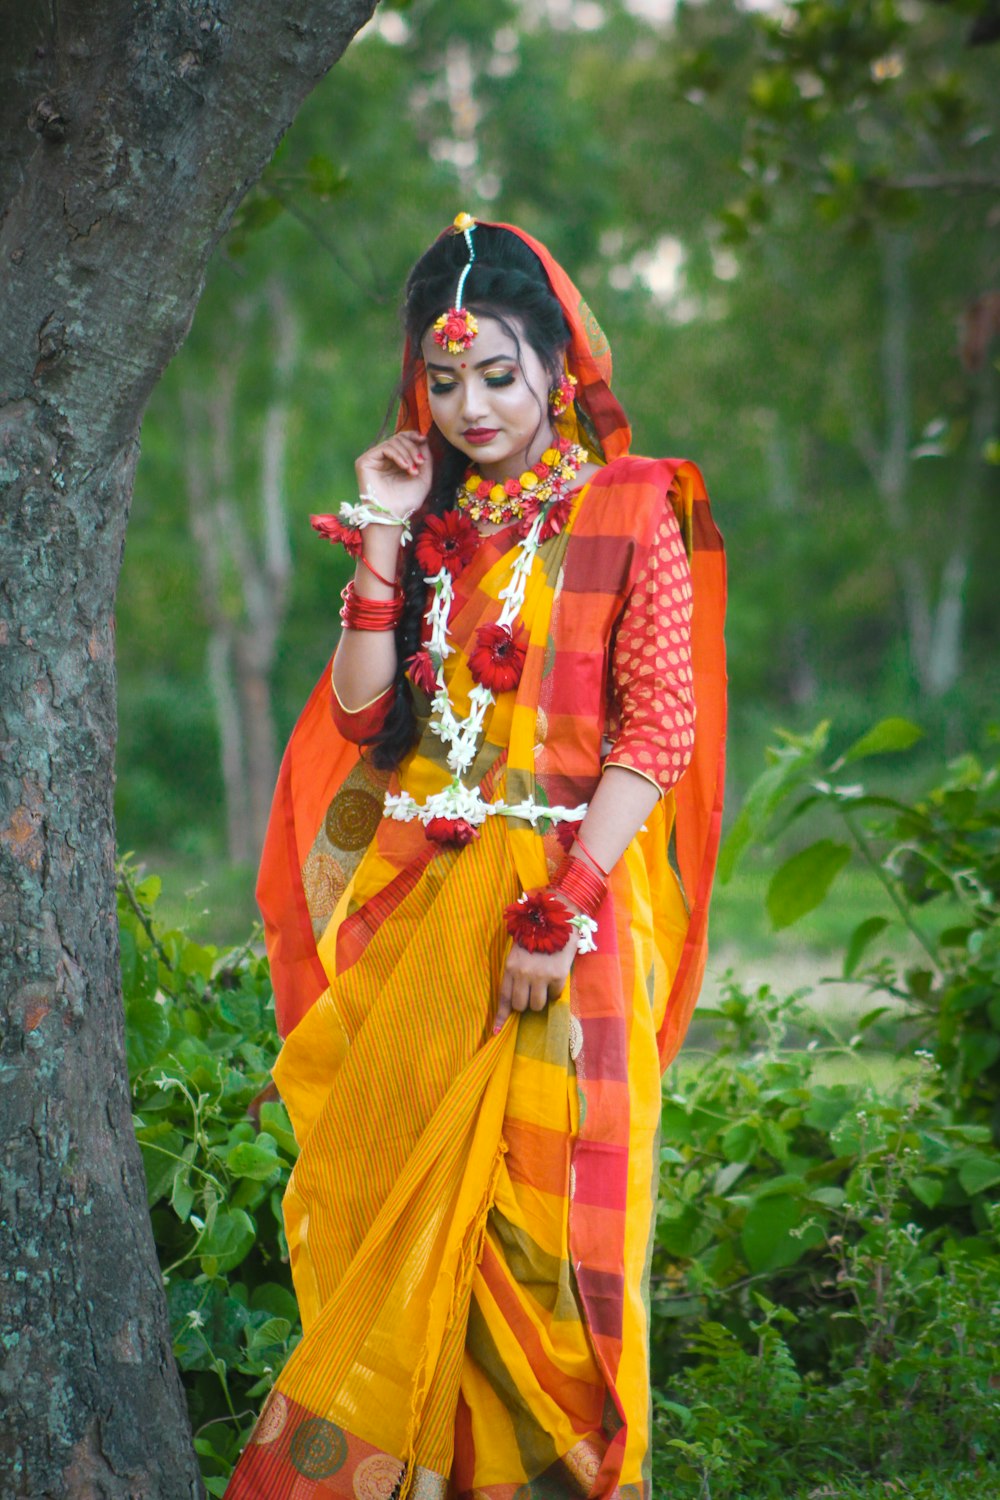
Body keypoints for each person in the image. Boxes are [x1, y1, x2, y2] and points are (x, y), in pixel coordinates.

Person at [225, 214, 726, 1500]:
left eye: (496, 374)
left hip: (575, 914)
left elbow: (656, 728)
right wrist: (388, 532)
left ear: (557, 367)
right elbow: (357, 712)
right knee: (380, 1192)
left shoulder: (629, 508)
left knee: (544, 1254)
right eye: (442, 381)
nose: (469, 406)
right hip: (421, 908)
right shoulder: (439, 519)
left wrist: (555, 914)